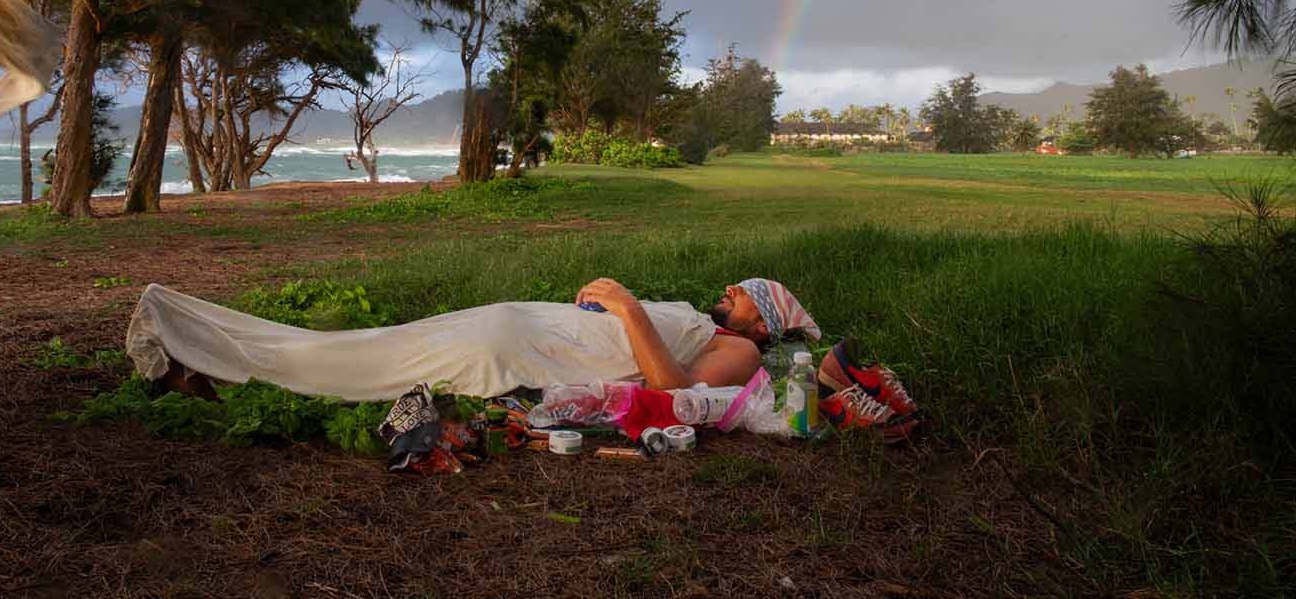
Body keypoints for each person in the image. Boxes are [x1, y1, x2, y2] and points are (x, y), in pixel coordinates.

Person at [128, 277, 820, 403]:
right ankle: (197, 345)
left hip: (515, 347)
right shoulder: (719, 331)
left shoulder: (745, 352)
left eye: (737, 295)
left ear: (760, 321)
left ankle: (192, 348)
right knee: (363, 348)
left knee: (356, 366)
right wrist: (604, 305)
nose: (723, 295)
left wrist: (625, 304)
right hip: (521, 325)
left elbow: (673, 392)